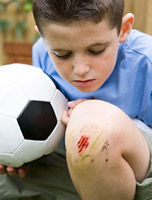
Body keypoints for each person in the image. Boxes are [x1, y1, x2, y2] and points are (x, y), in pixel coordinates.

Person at [0, 0, 152, 199]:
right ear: (43, 36)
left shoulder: (145, 61)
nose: (80, 69)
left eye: (96, 50)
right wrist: (16, 151)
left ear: (123, 30)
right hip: (81, 169)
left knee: (90, 129)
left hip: (140, 172)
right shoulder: (42, 52)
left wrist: (97, 115)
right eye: (62, 54)